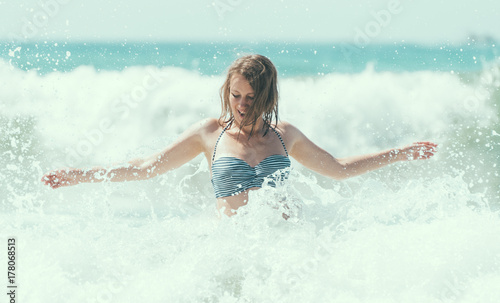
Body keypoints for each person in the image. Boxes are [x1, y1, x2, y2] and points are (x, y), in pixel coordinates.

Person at [41, 54, 438, 217]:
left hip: (285, 249)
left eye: (251, 97)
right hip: (232, 254)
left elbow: (337, 168)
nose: (242, 104)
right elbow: (146, 168)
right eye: (235, 95)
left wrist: (399, 153)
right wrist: (80, 175)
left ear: (267, 96)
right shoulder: (208, 134)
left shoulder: (286, 135)